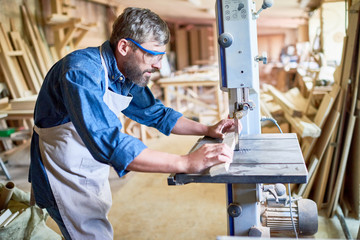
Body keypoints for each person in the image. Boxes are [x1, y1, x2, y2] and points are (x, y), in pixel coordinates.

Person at [29, 7, 237, 240]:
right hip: (62, 171)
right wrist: (185, 162)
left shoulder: (124, 71)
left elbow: (157, 114)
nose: (158, 65)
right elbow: (110, 143)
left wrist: (207, 129)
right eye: (152, 55)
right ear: (124, 47)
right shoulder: (81, 71)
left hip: (87, 162)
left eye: (161, 56)